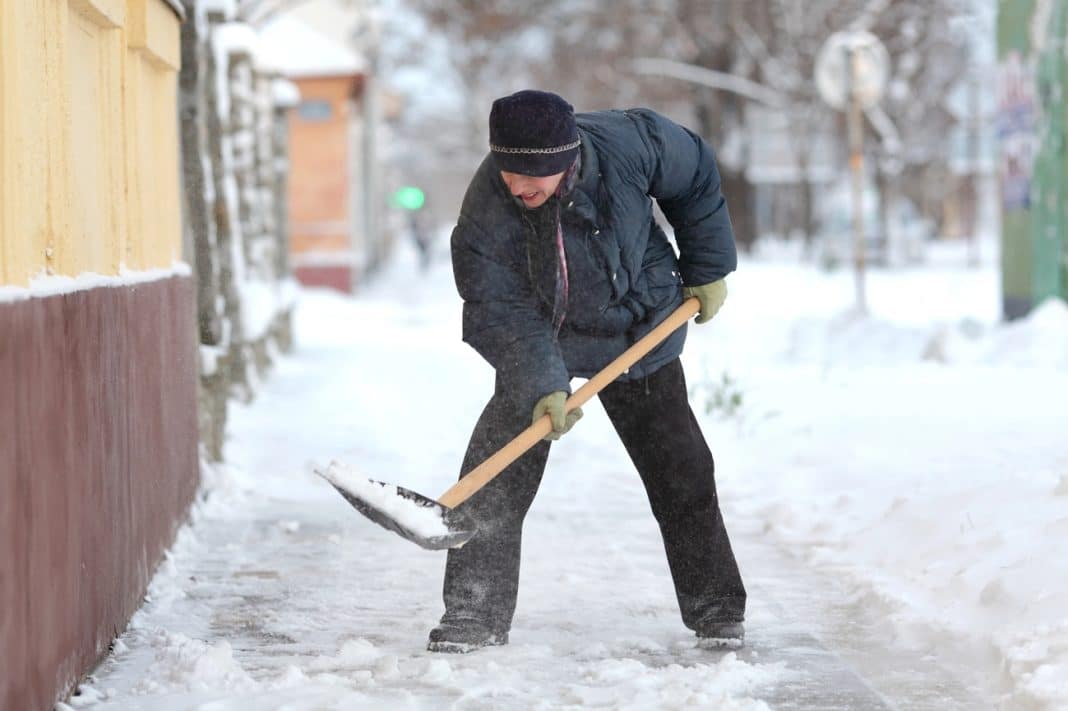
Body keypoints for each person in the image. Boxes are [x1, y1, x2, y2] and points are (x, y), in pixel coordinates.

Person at [429, 89, 746, 653]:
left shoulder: (631, 143)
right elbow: (494, 303)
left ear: (565, 159)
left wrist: (708, 265)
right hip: (543, 332)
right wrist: (541, 381)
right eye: (508, 174)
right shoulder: (490, 201)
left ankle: (717, 609)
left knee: (683, 474)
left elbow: (695, 175)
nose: (517, 188)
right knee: (496, 477)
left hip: (640, 325)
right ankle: (473, 615)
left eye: (533, 178)